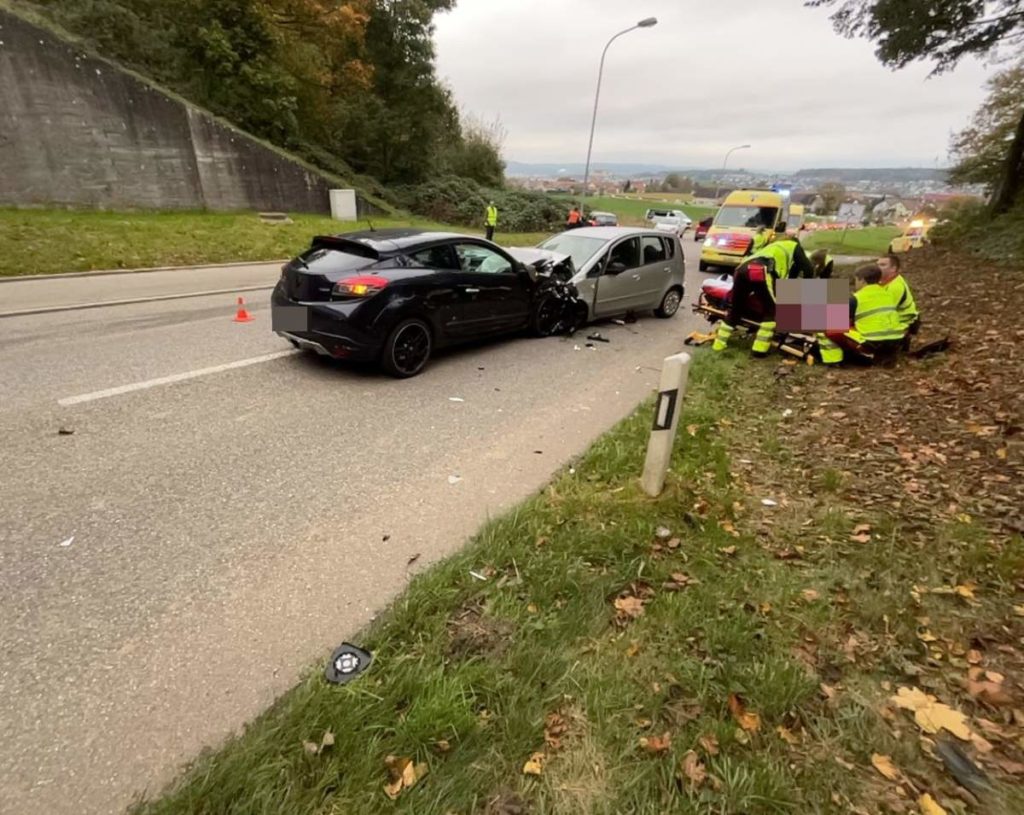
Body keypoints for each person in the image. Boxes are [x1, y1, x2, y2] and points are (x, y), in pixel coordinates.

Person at [712, 235, 814, 356]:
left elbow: (792, 274)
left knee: (736, 309)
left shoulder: (772, 247)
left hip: (741, 270)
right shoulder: (794, 246)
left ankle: (718, 345)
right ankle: (759, 350)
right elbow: (808, 268)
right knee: (772, 312)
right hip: (759, 270)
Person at [817, 264, 905, 364]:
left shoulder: (857, 298)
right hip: (895, 341)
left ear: (862, 280)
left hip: (873, 343)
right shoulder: (888, 294)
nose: (855, 283)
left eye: (856, 280)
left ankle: (833, 361)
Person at [878, 252, 920, 336]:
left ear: (893, 269)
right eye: (877, 265)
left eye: (882, 265)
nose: (878, 268)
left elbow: (882, 312)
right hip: (891, 320)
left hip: (903, 322)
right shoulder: (882, 281)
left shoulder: (896, 286)